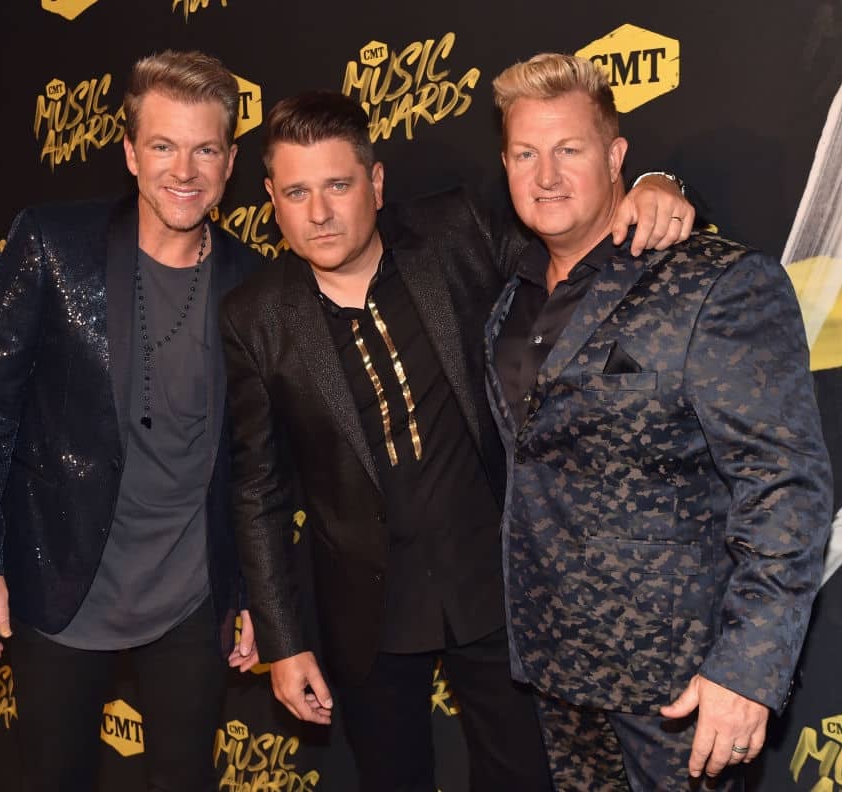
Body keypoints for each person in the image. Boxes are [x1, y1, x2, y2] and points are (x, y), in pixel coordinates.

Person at [219, 90, 693, 792]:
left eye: (338, 185)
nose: (318, 213)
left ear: (375, 184)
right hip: (366, 607)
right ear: (271, 199)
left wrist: (658, 185)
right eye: (296, 192)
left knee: (524, 777)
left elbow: (576, 244)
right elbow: (257, 490)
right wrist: (285, 643)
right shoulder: (256, 317)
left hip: (495, 581)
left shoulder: (455, 232)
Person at [485, 53, 833, 790]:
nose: (545, 175)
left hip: (680, 690)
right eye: (525, 153)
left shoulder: (717, 283)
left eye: (569, 149)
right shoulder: (509, 298)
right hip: (558, 672)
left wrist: (747, 672)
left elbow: (786, 490)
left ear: (616, 157)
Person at [0, 50, 263, 792]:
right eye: (162, 145)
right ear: (129, 152)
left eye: (204, 148)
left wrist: (251, 593)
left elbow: (254, 462)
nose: (183, 170)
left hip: (190, 592)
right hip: (62, 576)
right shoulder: (53, 245)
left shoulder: (253, 283)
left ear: (229, 162)